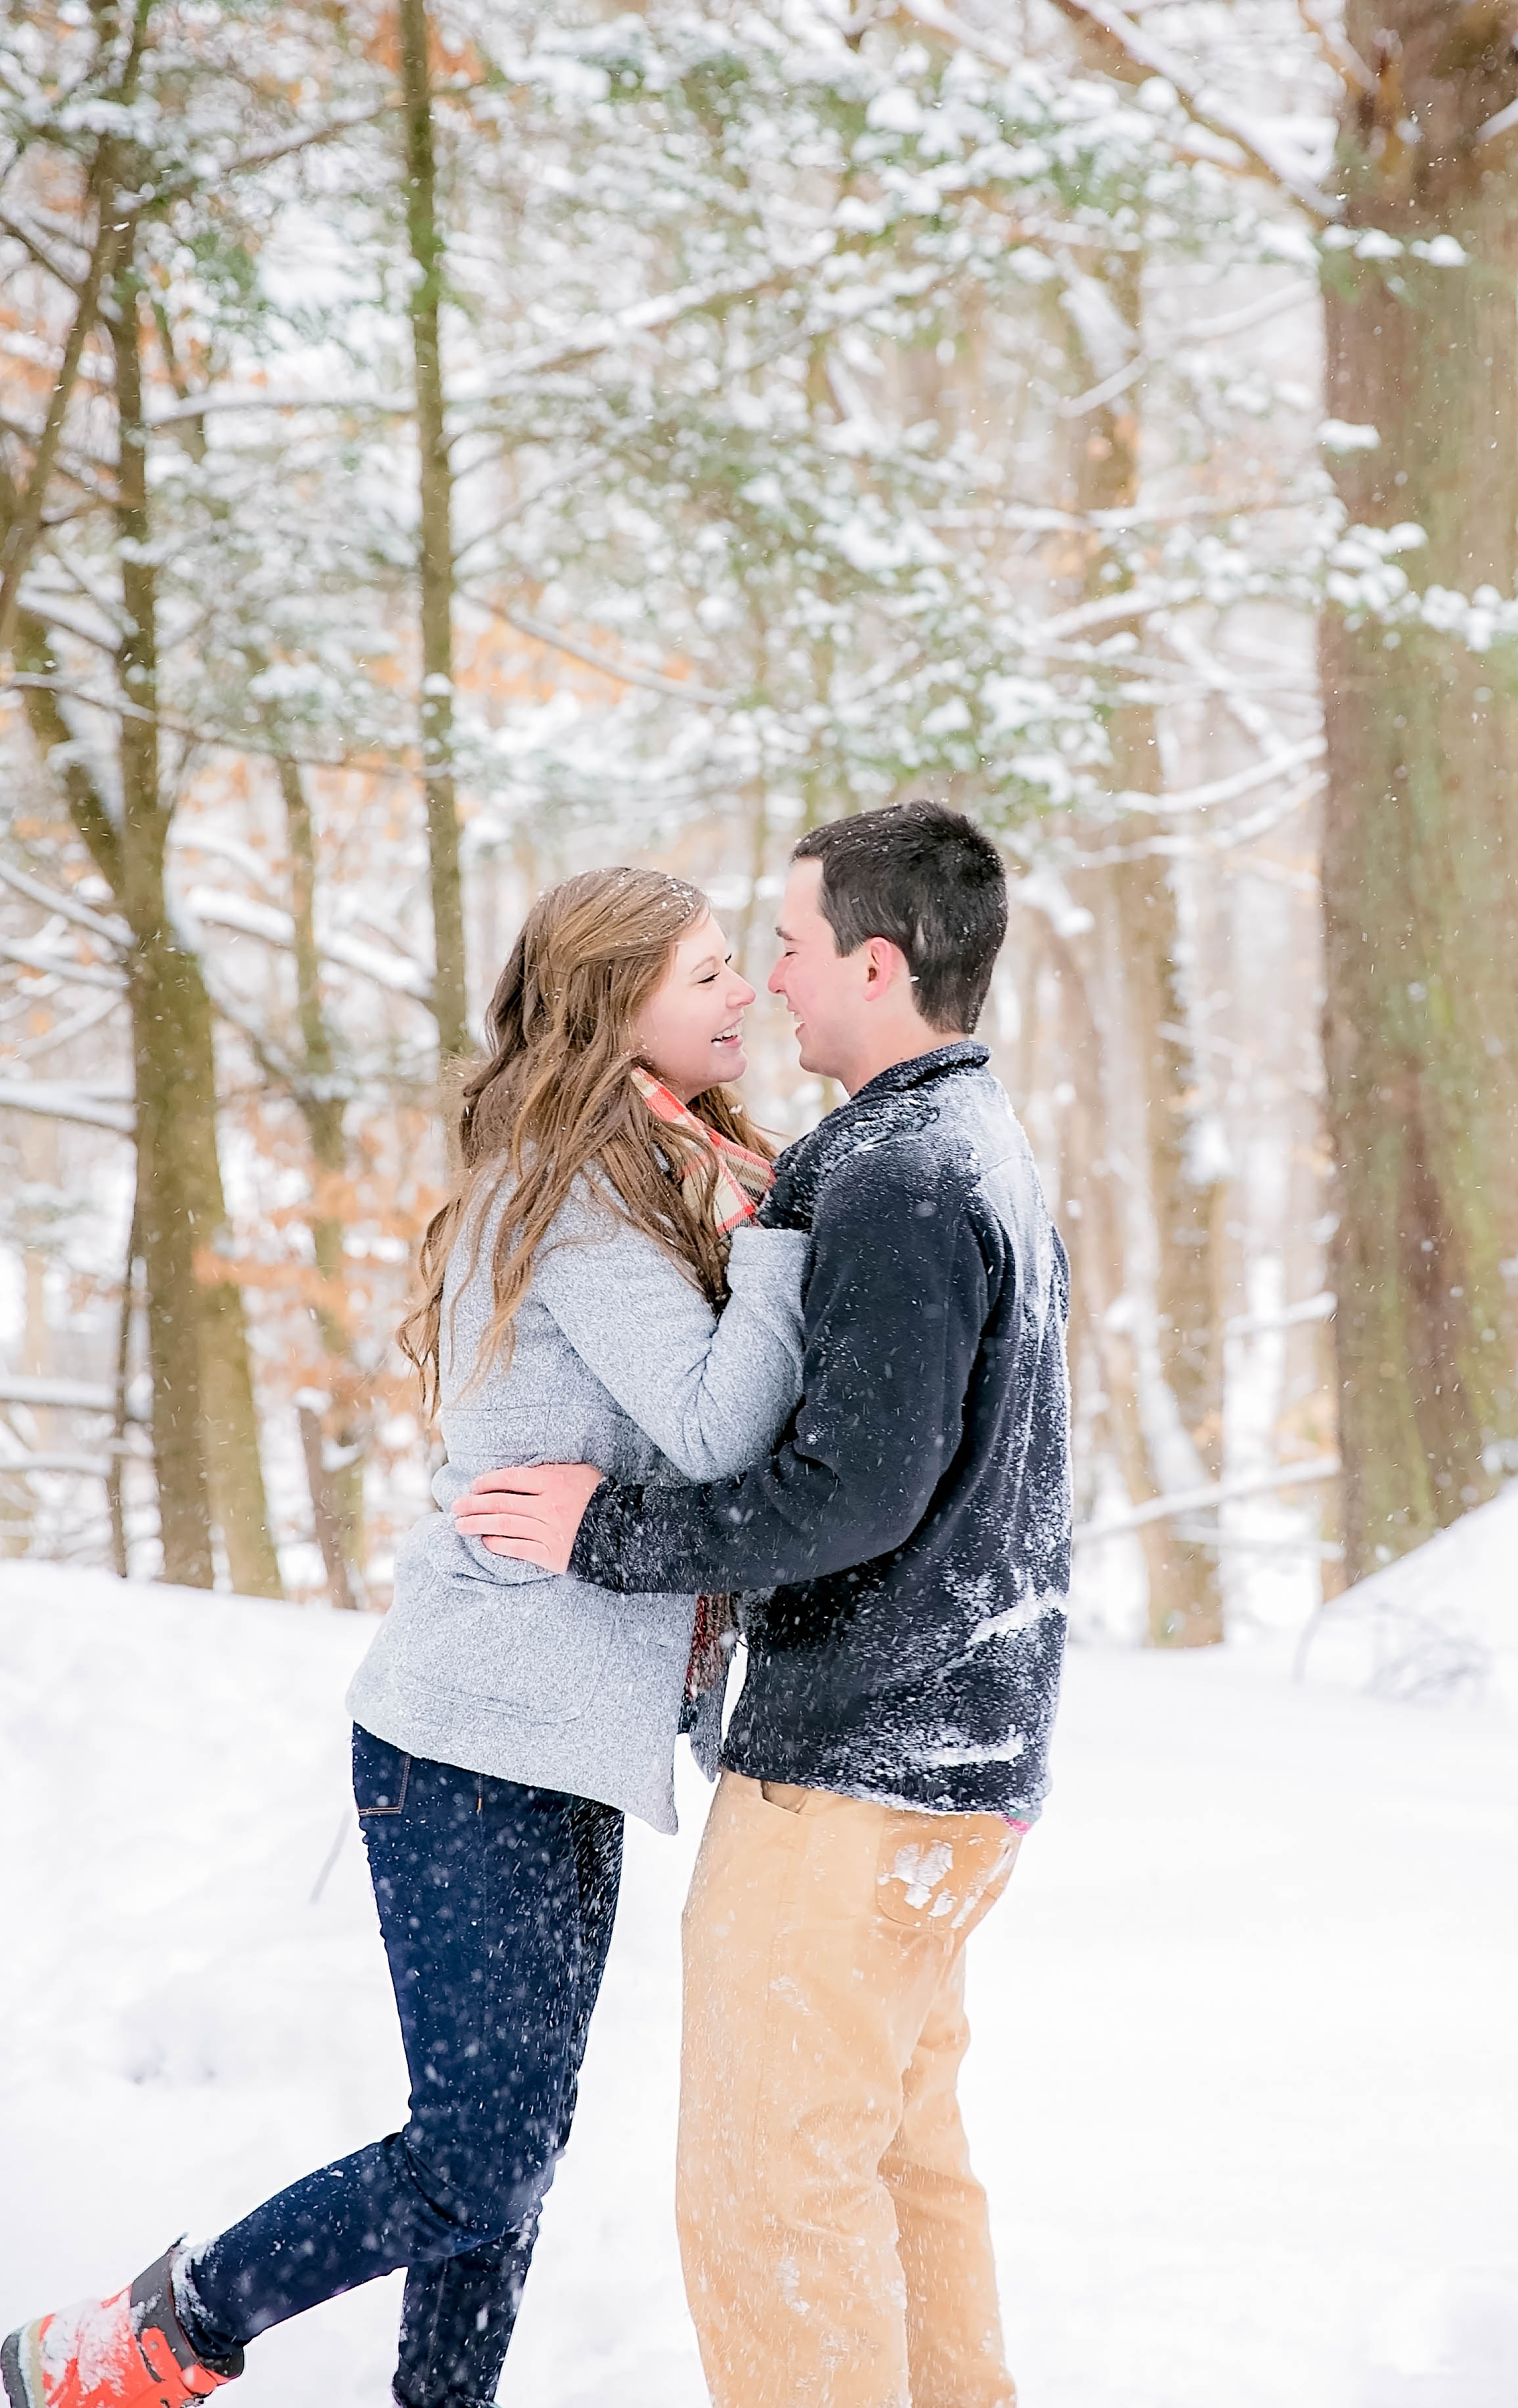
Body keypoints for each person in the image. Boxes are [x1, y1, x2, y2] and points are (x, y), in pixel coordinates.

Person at [1, 867, 809, 2408]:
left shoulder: (638, 1167)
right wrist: (779, 1231)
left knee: (501, 2149)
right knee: (480, 2153)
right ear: (613, 1003)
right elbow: (713, 1428)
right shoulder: (571, 1187)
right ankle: (138, 2341)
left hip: (551, 1741)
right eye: (709, 971)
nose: (745, 992)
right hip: (469, 1743)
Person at [454, 801, 1073, 2408]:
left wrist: (609, 1531)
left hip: (855, 1771)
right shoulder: (967, 1146)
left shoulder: (891, 1174)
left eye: (787, 949)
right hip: (956, 1768)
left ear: (876, 962)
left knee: (769, 2200)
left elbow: (848, 1492)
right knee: (892, 2165)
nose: (771, 987)